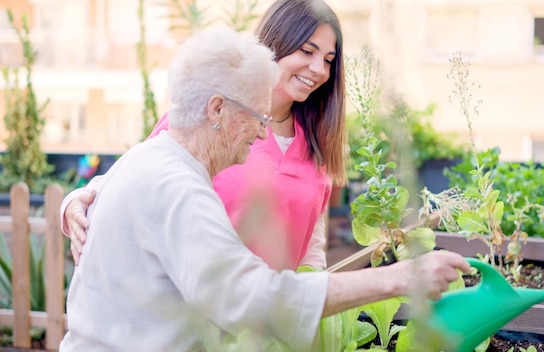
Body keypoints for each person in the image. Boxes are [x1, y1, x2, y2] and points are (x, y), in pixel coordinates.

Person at [58, 26, 471, 352]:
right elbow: (248, 296)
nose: (262, 132)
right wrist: (398, 279)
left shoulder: (150, 161)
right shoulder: (179, 188)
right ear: (217, 109)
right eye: (256, 116)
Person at [62, 0, 347, 270]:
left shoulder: (316, 142)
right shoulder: (213, 114)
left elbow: (311, 238)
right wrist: (77, 201)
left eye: (329, 60)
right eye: (308, 52)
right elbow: (141, 176)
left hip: (273, 314)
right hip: (196, 312)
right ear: (277, 42)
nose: (319, 69)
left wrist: (308, 291)